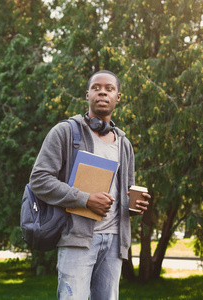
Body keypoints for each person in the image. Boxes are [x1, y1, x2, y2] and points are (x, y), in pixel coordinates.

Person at [29, 70, 150, 299]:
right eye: (96, 88)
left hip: (114, 242)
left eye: (109, 88)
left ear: (118, 97)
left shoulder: (124, 144)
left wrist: (134, 205)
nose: (102, 91)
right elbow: (39, 179)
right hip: (77, 239)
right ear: (87, 95)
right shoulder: (65, 132)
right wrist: (85, 199)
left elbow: (124, 194)